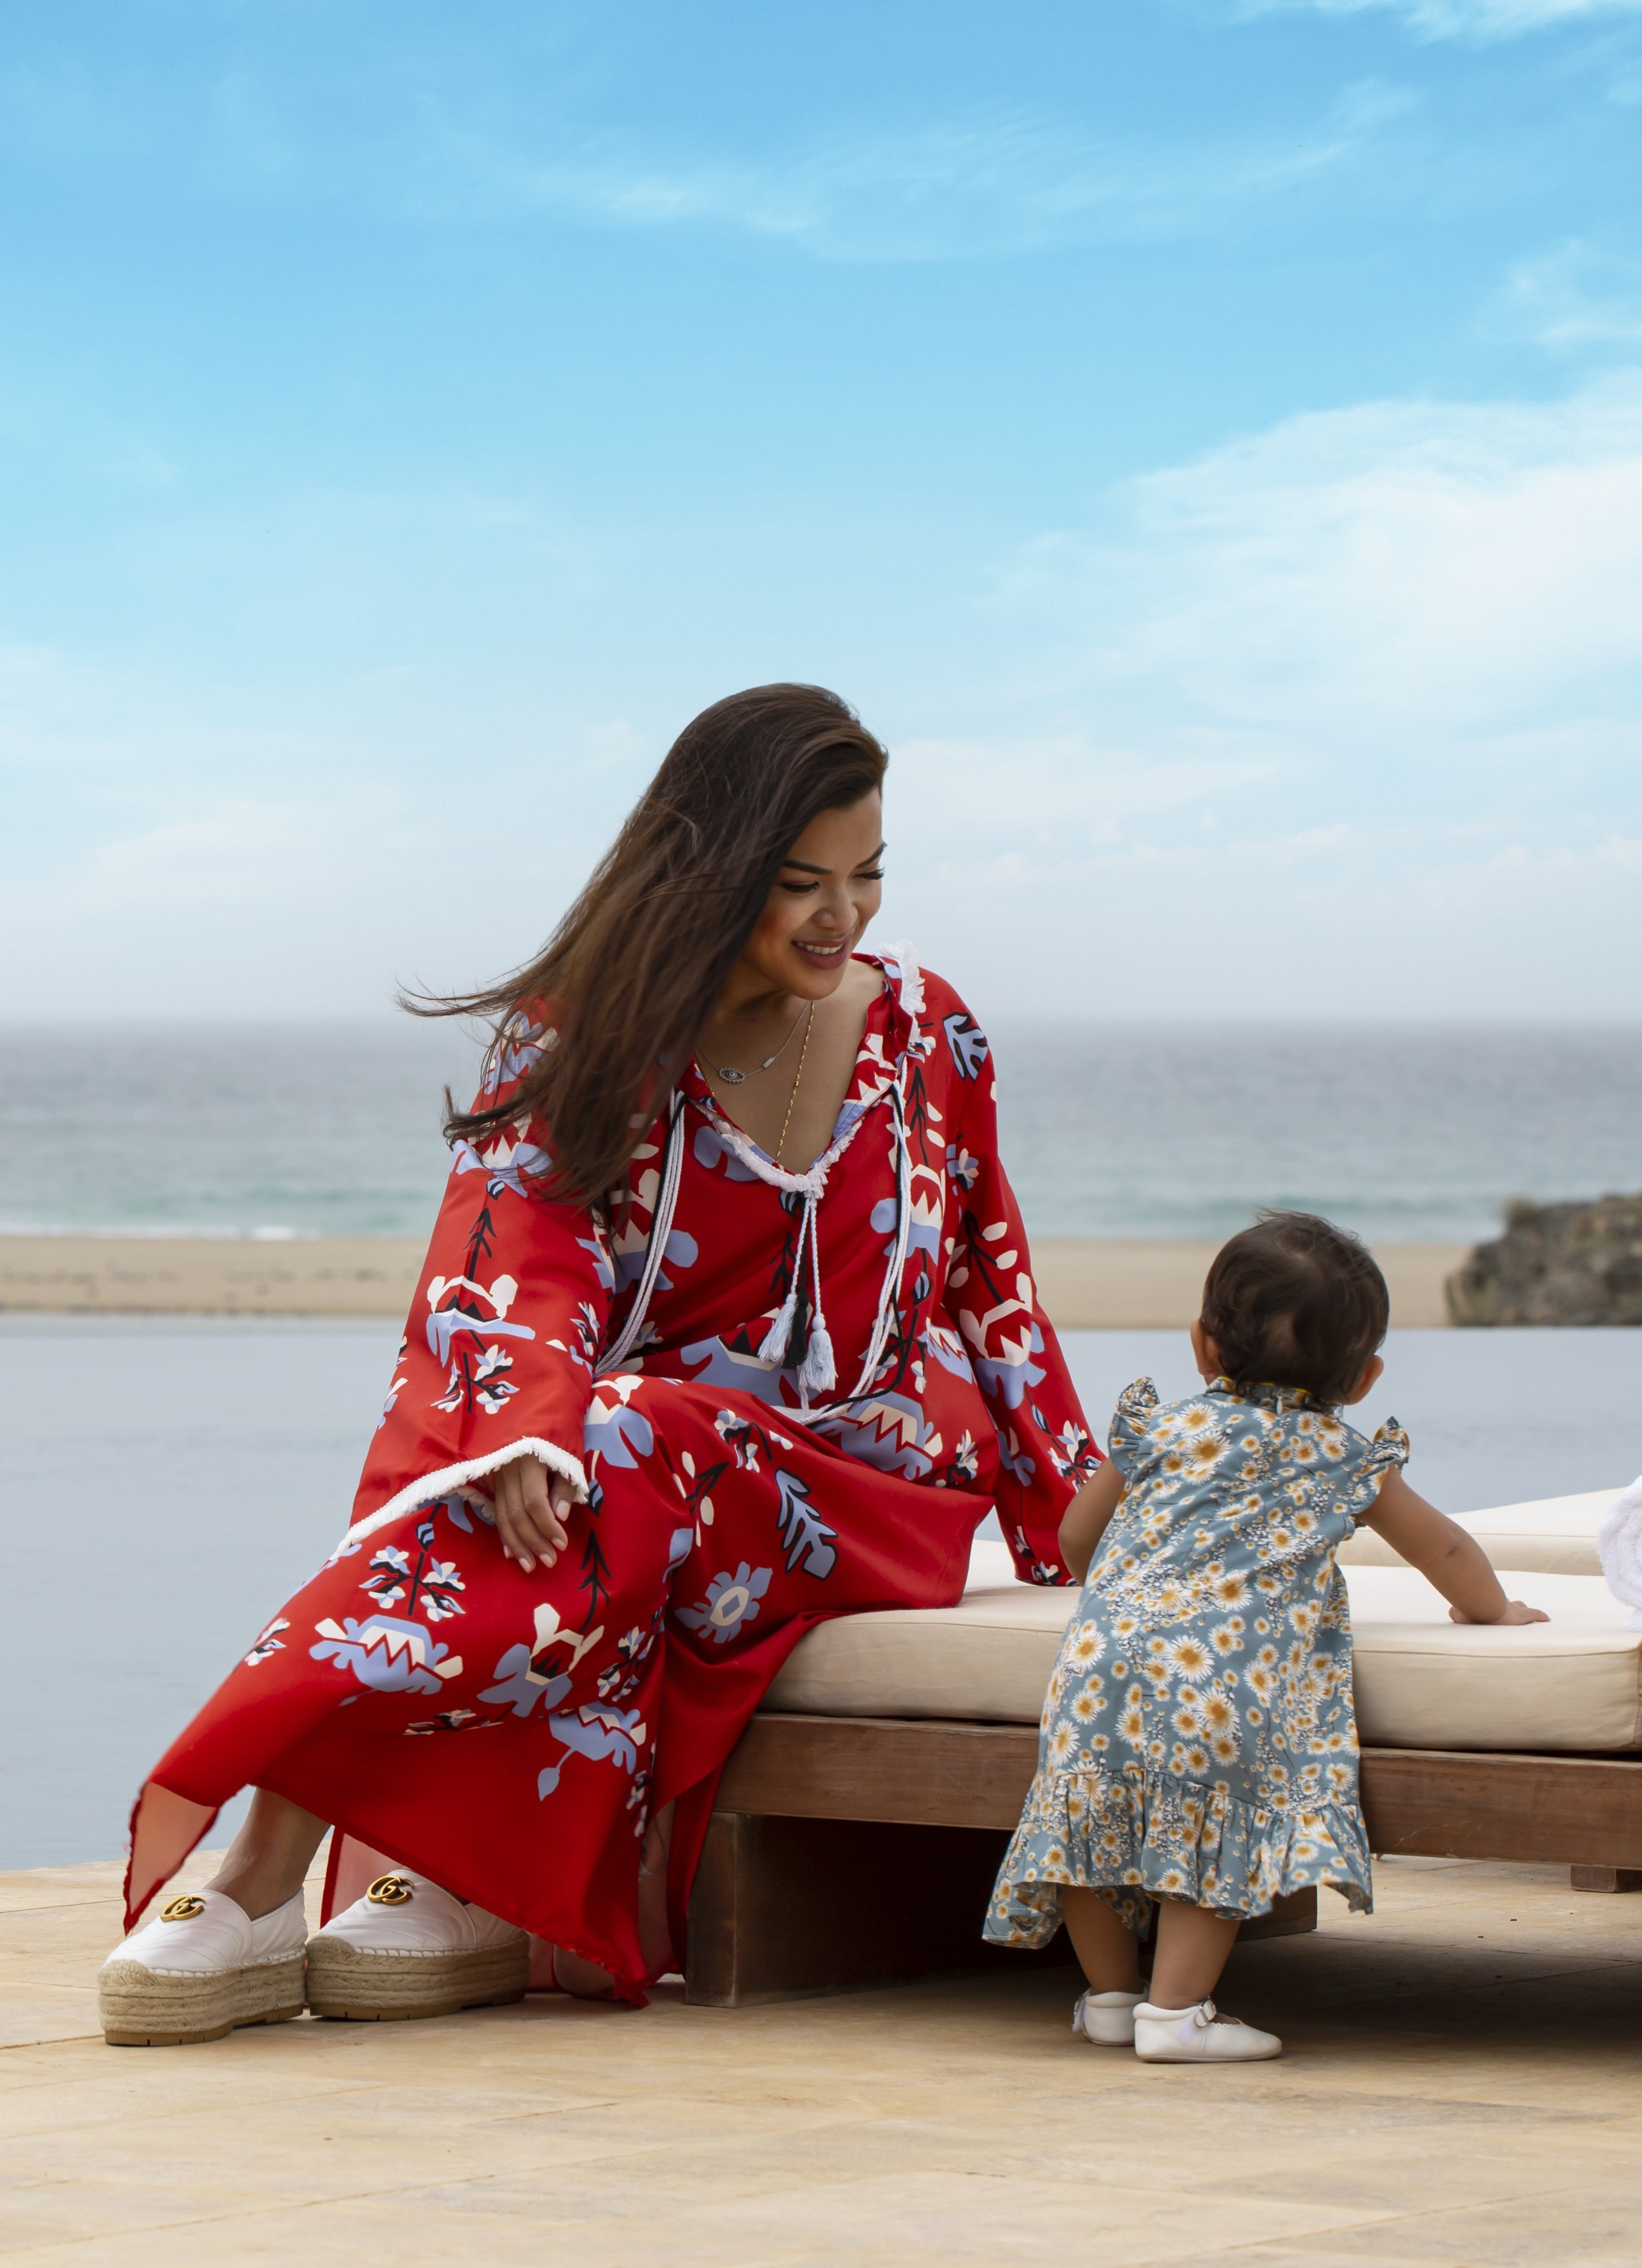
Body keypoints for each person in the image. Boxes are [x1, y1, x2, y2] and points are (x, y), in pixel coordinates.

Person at [100, 682, 1104, 2047]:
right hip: (647, 1452)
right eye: (800, 882)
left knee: (615, 1436)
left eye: (866, 875)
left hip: (873, 1469)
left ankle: (261, 1875)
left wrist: (1078, 1504)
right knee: (530, 1457)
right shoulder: (582, 1026)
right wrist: (524, 1424)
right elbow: (513, 1237)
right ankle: (463, 1882)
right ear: (711, 866)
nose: (842, 916)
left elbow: (993, 1272)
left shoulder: (929, 1029)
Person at [984, 1210, 1550, 2064]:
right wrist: (1493, 1611)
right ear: (1365, 1377)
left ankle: (1110, 1998)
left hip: (1099, 1666)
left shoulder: (1163, 1429)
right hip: (1224, 1685)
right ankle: (1175, 2013)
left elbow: (1075, 1540)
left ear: (1202, 1345)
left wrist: (1131, 1581)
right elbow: (1444, 1550)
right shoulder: (1339, 1454)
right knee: (1210, 1835)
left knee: (1088, 1823)